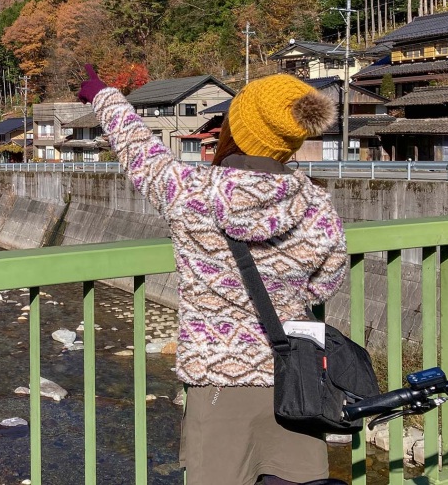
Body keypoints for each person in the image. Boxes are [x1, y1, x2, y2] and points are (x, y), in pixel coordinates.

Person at [78, 67, 348, 485]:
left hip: (220, 383)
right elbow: (325, 282)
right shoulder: (316, 203)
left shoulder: (190, 190)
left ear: (237, 129)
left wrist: (102, 94)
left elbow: (138, 149)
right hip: (297, 382)